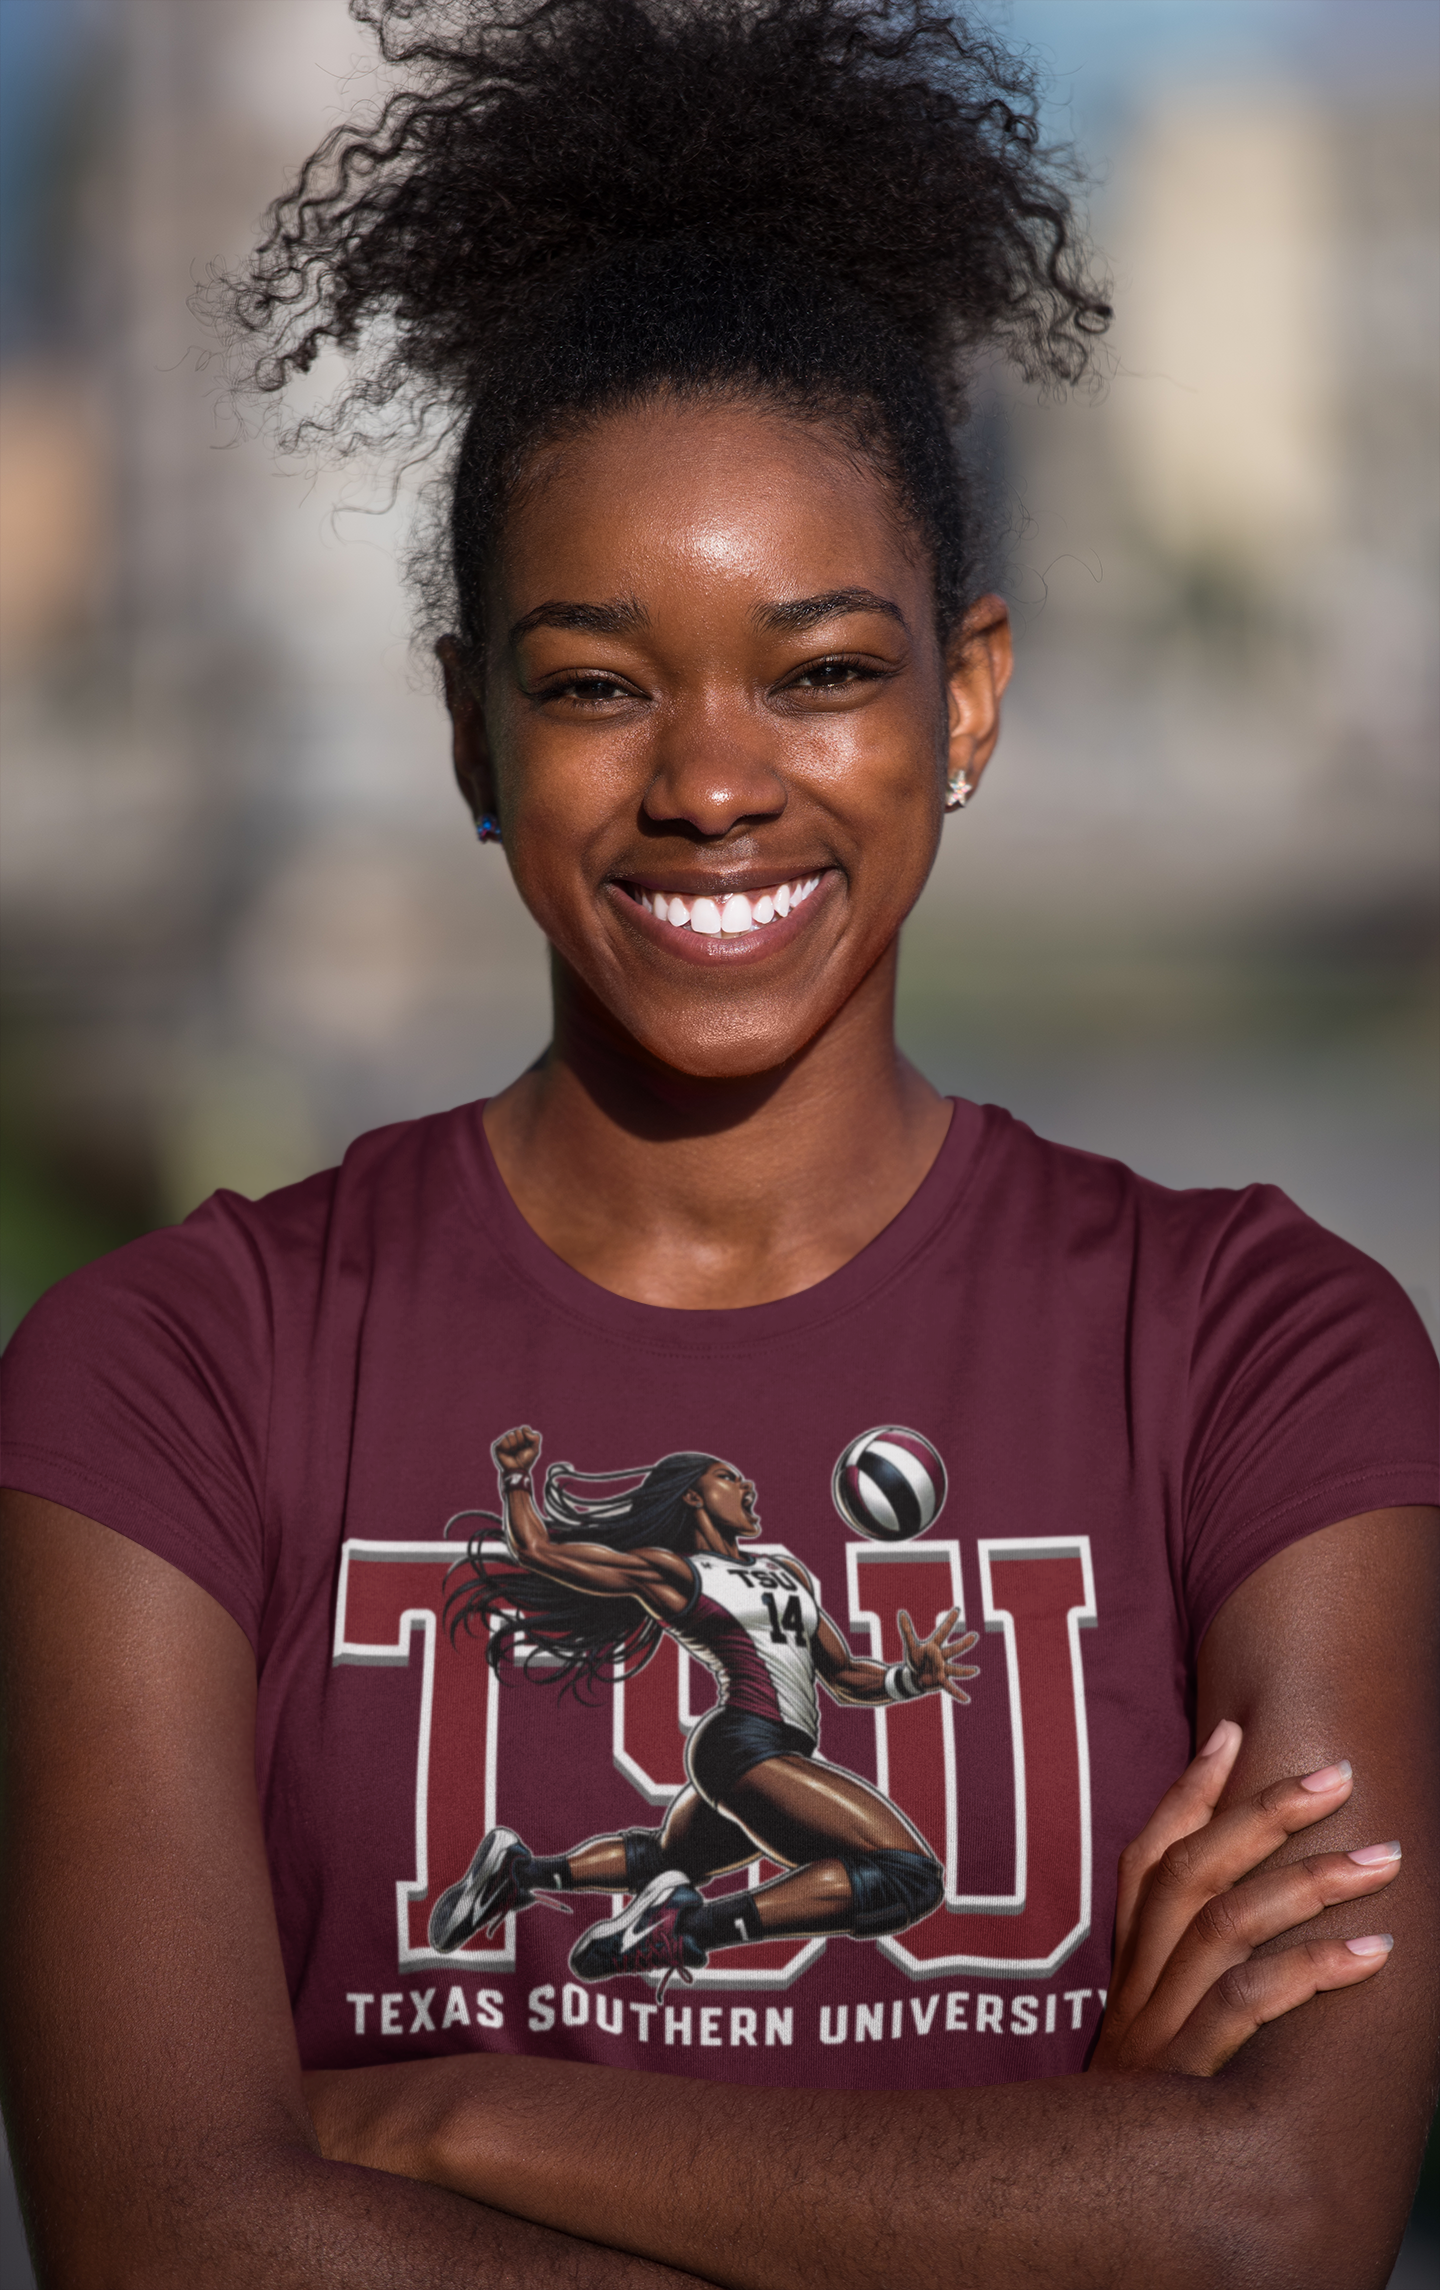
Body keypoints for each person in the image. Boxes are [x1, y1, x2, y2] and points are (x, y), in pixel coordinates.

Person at [1, 3, 1435, 2286]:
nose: (708, 776)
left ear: (959, 694)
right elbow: (171, 2242)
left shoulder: (1258, 1355)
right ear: (465, 719)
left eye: (820, 668)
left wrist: (443, 2124)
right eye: (589, 681)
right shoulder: (168, 1381)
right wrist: (1048, 2189)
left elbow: (1266, 2217)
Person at [429, 1429, 979, 1980]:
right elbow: (538, 1551)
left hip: (766, 1753)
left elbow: (842, 1676)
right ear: (693, 1496)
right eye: (728, 1476)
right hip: (744, 1745)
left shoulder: (787, 1574)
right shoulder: (676, 1572)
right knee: (909, 1876)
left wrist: (909, 1678)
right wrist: (516, 1478)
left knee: (668, 1861)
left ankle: (518, 1873)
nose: (748, 1485)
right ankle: (687, 1930)